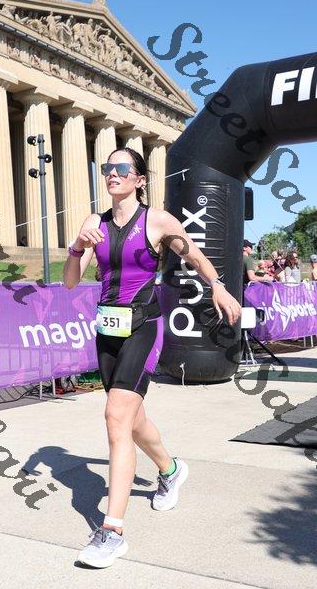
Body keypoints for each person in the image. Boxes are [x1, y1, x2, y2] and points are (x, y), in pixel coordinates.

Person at [63, 147, 241, 568]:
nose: (112, 174)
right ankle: (171, 469)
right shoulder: (94, 223)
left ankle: (112, 531)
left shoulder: (157, 221)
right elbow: (70, 282)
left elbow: (193, 254)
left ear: (140, 179)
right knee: (131, 419)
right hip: (108, 330)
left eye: (122, 168)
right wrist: (76, 247)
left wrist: (217, 286)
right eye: (107, 168)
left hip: (144, 326)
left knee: (115, 416)